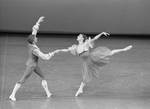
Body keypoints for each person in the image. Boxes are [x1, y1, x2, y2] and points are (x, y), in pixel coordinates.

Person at [56, 32, 132, 97]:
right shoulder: (76, 47)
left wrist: (102, 33)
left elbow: (95, 38)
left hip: (93, 58)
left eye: (79, 36)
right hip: (87, 62)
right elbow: (66, 50)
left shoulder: (85, 44)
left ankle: (124, 49)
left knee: (110, 53)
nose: (77, 36)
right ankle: (80, 89)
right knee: (85, 75)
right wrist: (58, 50)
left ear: (82, 38)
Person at [9, 16, 57, 101]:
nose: (37, 38)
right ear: (34, 40)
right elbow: (44, 57)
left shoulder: (30, 43)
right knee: (22, 80)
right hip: (31, 66)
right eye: (36, 38)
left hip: (34, 65)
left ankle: (48, 93)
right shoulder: (35, 50)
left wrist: (38, 22)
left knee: (43, 76)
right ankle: (12, 95)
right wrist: (51, 54)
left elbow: (34, 31)